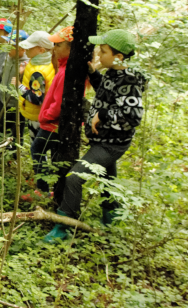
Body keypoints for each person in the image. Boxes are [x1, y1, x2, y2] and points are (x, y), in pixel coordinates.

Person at [44, 29, 147, 243]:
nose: (99, 56)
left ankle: (63, 227)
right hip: (103, 139)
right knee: (107, 180)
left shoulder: (129, 81)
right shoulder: (113, 74)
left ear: (118, 57)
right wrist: (93, 74)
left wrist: (102, 114)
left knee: (74, 178)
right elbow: (106, 91)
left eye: (104, 52)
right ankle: (112, 218)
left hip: (111, 144)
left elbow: (133, 116)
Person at [32, 26, 73, 195]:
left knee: (37, 150)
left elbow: (59, 103)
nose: (54, 49)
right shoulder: (62, 67)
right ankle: (51, 188)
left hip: (52, 124)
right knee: (52, 155)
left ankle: (42, 189)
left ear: (70, 48)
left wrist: (46, 117)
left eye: (59, 46)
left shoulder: (67, 72)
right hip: (52, 123)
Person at [18, 31, 56, 145]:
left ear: (41, 50)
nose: (26, 50)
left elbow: (37, 98)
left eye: (30, 47)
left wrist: (19, 86)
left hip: (37, 118)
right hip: (40, 114)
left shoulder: (38, 73)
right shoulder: (46, 62)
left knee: (37, 148)